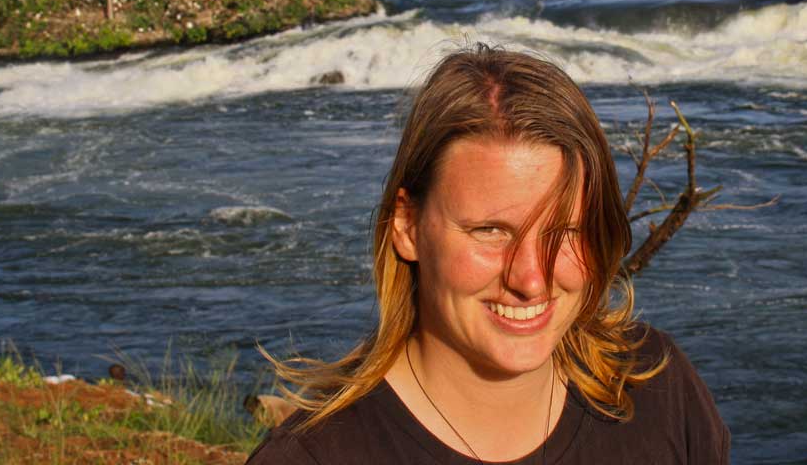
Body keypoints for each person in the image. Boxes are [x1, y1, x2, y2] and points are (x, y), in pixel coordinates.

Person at [247, 45, 730, 463]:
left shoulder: (658, 392)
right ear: (407, 225)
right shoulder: (315, 457)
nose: (531, 279)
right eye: (491, 231)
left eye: (564, 230)